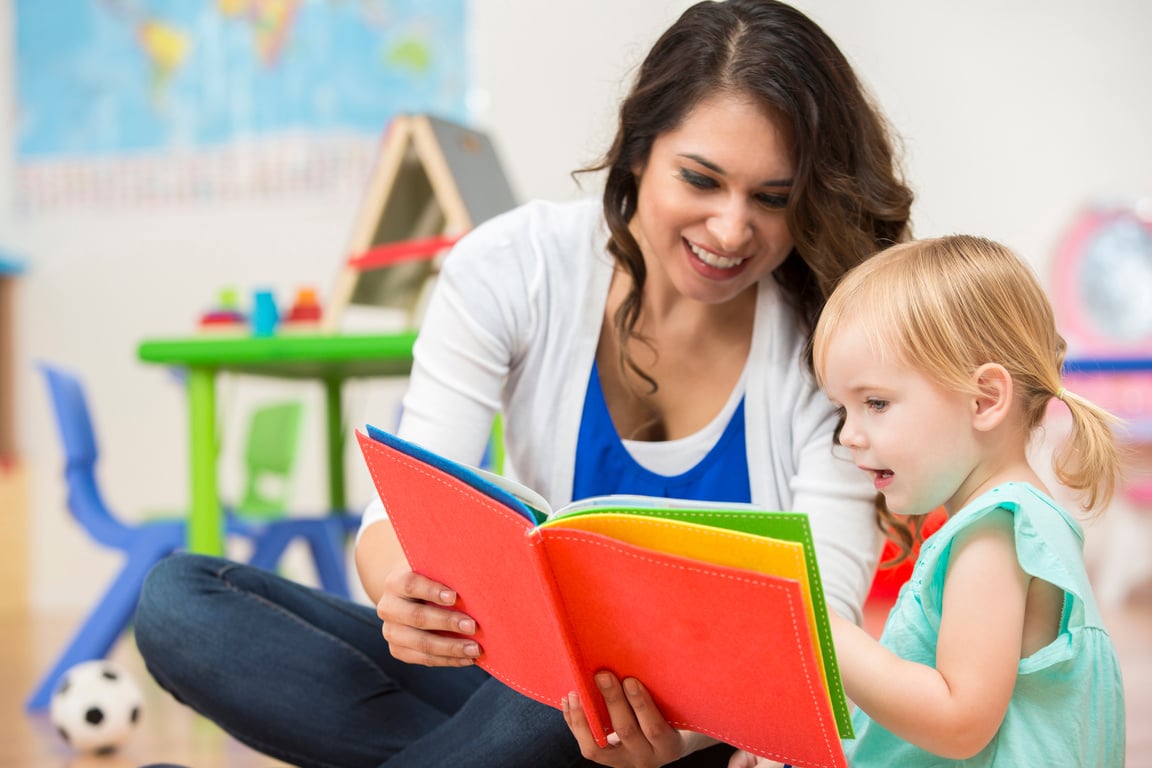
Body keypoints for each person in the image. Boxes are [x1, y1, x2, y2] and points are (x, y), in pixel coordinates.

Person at [133, 1, 913, 766]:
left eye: (772, 199)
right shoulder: (515, 266)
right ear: (639, 152)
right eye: (702, 180)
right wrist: (400, 590)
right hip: (523, 692)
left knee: (579, 691)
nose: (733, 229)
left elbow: (821, 634)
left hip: (698, 734)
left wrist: (679, 736)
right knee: (181, 603)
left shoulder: (830, 346)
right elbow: (402, 505)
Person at [729, 235, 1126, 767]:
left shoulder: (996, 532)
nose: (848, 435)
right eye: (842, 410)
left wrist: (816, 623)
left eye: (875, 403)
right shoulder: (1016, 520)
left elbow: (958, 724)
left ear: (985, 399)